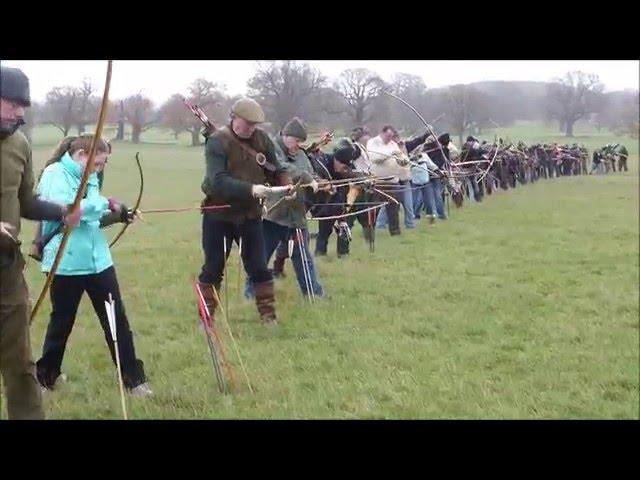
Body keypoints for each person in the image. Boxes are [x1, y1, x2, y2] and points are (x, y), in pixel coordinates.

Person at [33, 135, 152, 397]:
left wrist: (120, 214)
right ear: (81, 156)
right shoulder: (55, 174)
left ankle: (134, 380)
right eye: (97, 163)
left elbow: (91, 217)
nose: (100, 169)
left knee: (116, 322)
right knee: (61, 323)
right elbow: (70, 210)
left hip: (98, 262)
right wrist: (104, 203)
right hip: (66, 263)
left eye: (103, 164)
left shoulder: (93, 177)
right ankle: (45, 378)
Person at [0, 65, 82, 419]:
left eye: (23, 105)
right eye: (12, 103)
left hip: (6, 270)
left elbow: (26, 202)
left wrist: (62, 211)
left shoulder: (20, 144)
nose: (19, 111)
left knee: (20, 364)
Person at [197, 98, 293, 324]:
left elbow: (276, 167)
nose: (251, 128)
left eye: (254, 124)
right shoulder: (217, 142)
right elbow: (217, 181)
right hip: (218, 215)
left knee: (259, 267)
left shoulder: (263, 140)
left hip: (250, 216)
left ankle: (269, 318)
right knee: (213, 268)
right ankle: (206, 320)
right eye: (247, 123)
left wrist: (286, 183)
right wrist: (251, 189)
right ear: (234, 118)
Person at [244, 117, 324, 299]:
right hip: (273, 215)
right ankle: (251, 295)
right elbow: (279, 168)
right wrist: (304, 177)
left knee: (303, 258)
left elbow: (310, 173)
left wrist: (318, 182)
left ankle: (314, 294)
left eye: (300, 142)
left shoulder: (301, 154)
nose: (298, 145)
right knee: (260, 258)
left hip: (296, 215)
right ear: (287, 136)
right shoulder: (270, 150)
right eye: (296, 141)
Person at [367, 126, 410, 236]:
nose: (390, 138)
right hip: (378, 182)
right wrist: (391, 153)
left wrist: (404, 160)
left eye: (391, 136)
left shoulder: (393, 144)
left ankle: (395, 231)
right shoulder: (373, 143)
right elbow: (374, 158)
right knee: (374, 208)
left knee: (394, 207)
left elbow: (401, 158)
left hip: (392, 181)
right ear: (382, 133)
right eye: (388, 136)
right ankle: (369, 230)